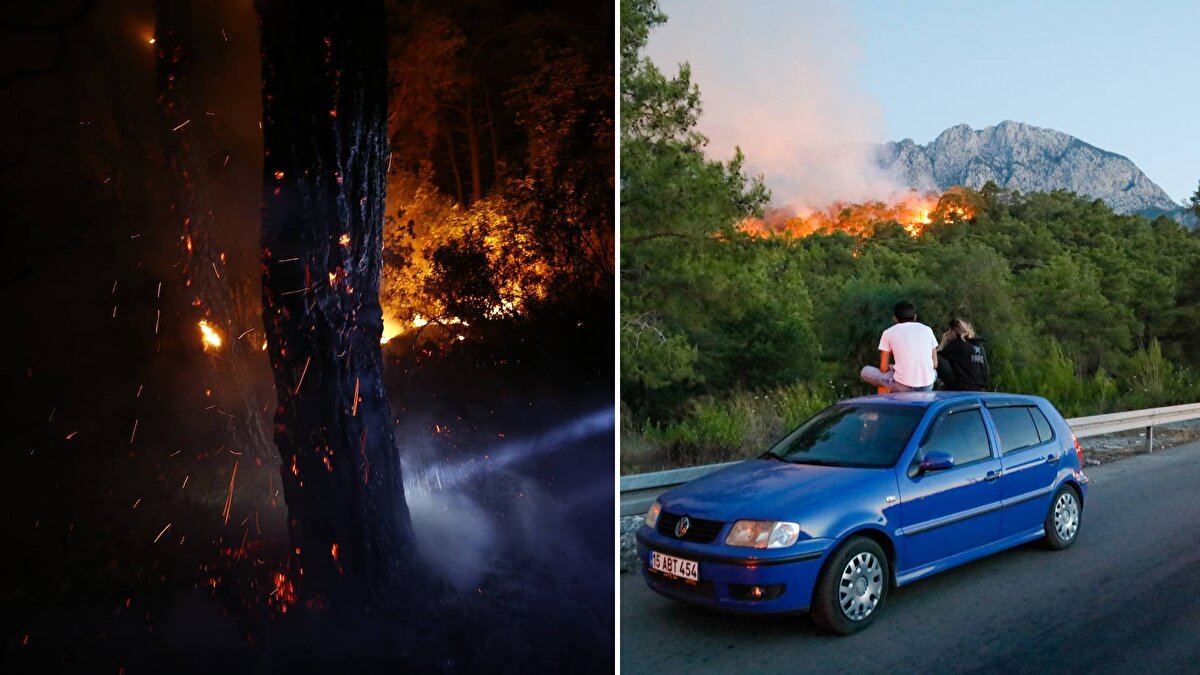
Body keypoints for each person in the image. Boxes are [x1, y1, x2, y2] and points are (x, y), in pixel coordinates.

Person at [859, 301, 939, 393]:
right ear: (915, 317)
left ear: (895, 319)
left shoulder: (888, 333)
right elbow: (935, 364)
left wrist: (892, 367)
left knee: (865, 371)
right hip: (927, 385)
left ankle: (888, 393)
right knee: (934, 373)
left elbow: (883, 368)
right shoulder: (928, 330)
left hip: (903, 386)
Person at [935, 318, 989, 391]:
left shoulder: (956, 345)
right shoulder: (979, 345)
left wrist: (942, 343)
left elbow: (937, 359)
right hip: (981, 388)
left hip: (963, 387)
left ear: (953, 332)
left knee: (937, 357)